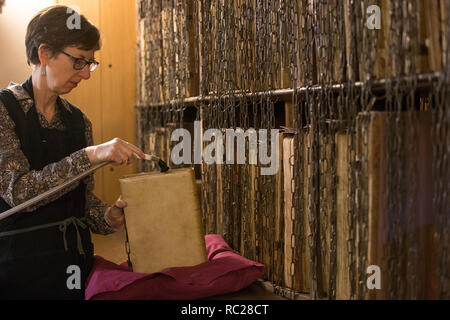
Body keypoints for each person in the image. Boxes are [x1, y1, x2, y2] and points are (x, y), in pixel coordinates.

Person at [0, 5, 145, 299]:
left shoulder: (78, 121)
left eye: (90, 63)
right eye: (79, 61)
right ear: (44, 53)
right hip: (16, 270)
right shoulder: (5, 110)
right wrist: (91, 156)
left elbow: (79, 201)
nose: (86, 74)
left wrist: (108, 216)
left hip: (72, 265)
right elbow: (18, 192)